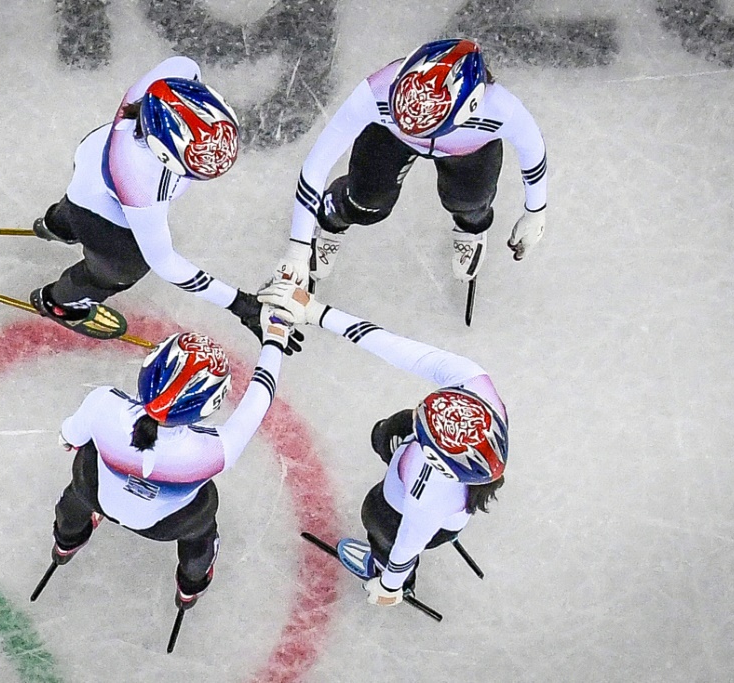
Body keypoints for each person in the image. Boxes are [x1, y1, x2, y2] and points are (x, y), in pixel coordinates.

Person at [259, 278, 508, 606]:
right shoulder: (473, 383)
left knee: (377, 519)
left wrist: (390, 584)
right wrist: (317, 312)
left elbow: (406, 546)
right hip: (421, 481)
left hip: (405, 511)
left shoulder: (428, 495)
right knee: (386, 432)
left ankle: (378, 564)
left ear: (434, 460)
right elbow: (397, 348)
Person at [29, 55, 297, 351]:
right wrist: (240, 304)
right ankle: (60, 302)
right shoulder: (140, 181)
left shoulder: (170, 80)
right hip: (101, 209)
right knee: (121, 268)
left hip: (91, 158)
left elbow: (188, 68)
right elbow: (165, 263)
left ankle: (58, 224)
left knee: (79, 203)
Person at [48, 306, 293, 611]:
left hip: (97, 495)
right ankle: (191, 584)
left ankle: (67, 540)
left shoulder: (103, 403)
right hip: (166, 526)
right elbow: (261, 396)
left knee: (81, 482)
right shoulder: (214, 451)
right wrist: (275, 336)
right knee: (200, 530)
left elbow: (69, 437)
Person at [273, 38, 548, 288]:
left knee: (469, 203)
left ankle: (470, 227)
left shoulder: (503, 110)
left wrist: (536, 212)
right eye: (400, 112)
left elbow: (533, 152)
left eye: (426, 125)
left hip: (466, 150)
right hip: (391, 139)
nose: (412, 128)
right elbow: (316, 166)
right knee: (366, 203)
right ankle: (334, 215)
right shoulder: (377, 91)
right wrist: (298, 248)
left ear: (470, 107)